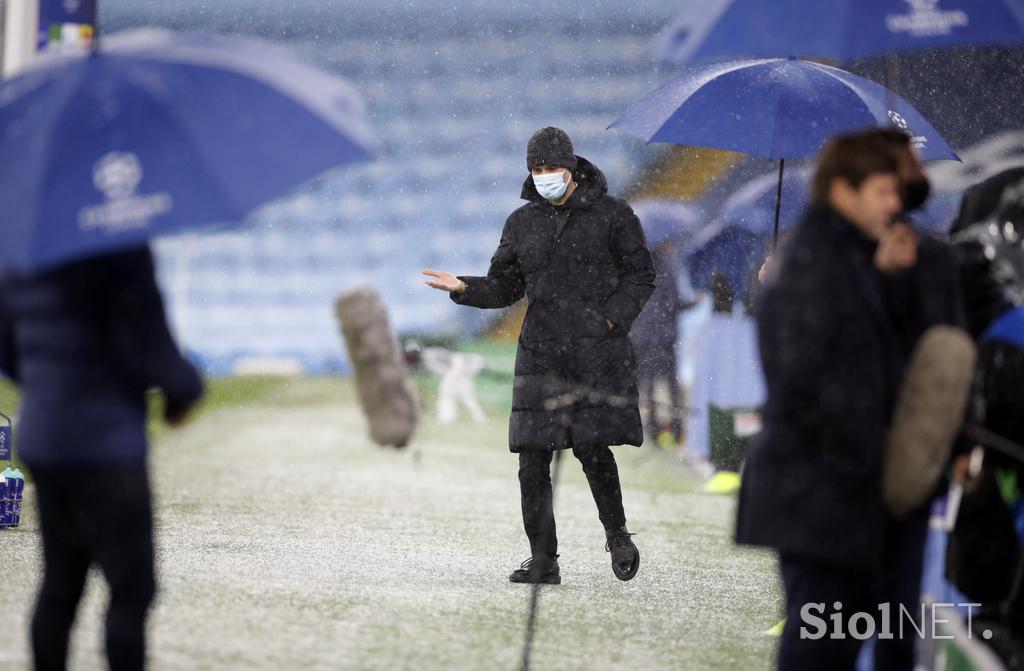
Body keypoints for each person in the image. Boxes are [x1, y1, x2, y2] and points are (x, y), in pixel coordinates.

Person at [423, 127, 655, 584]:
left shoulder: (614, 214)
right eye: (537, 168)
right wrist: (466, 288)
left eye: (552, 167)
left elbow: (641, 277)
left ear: (571, 167)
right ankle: (543, 559)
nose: (545, 175)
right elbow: (507, 286)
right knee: (531, 457)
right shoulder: (520, 222)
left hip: (595, 354)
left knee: (593, 448)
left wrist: (609, 321)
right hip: (539, 354)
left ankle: (618, 535)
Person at [735, 129, 920, 670]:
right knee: (820, 648)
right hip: (819, 494)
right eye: (884, 191)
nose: (896, 204)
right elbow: (813, 386)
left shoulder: (852, 259)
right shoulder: (814, 268)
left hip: (836, 492)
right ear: (843, 192)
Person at [0, 247, 204, 671]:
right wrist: (184, 391)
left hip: (46, 437)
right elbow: (145, 341)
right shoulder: (119, 247)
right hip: (106, 444)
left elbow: (8, 350)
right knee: (131, 589)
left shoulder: (19, 252)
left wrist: (47, 385)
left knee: (61, 583)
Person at [629, 239, 695, 447]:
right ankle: (675, 429)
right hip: (663, 338)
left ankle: (650, 429)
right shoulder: (666, 268)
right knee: (671, 386)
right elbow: (672, 303)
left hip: (642, 337)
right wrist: (694, 303)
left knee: (647, 385)